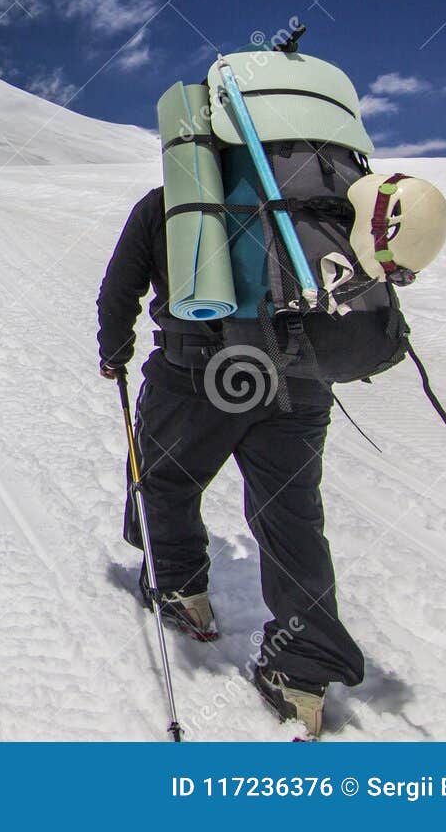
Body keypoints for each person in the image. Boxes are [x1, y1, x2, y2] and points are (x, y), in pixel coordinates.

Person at [96, 187, 362, 739]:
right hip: (299, 378)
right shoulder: (314, 194)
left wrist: (114, 349)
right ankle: (301, 671)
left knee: (165, 480)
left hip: (198, 372)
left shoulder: (169, 201)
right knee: (292, 517)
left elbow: (120, 286)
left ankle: (180, 590)